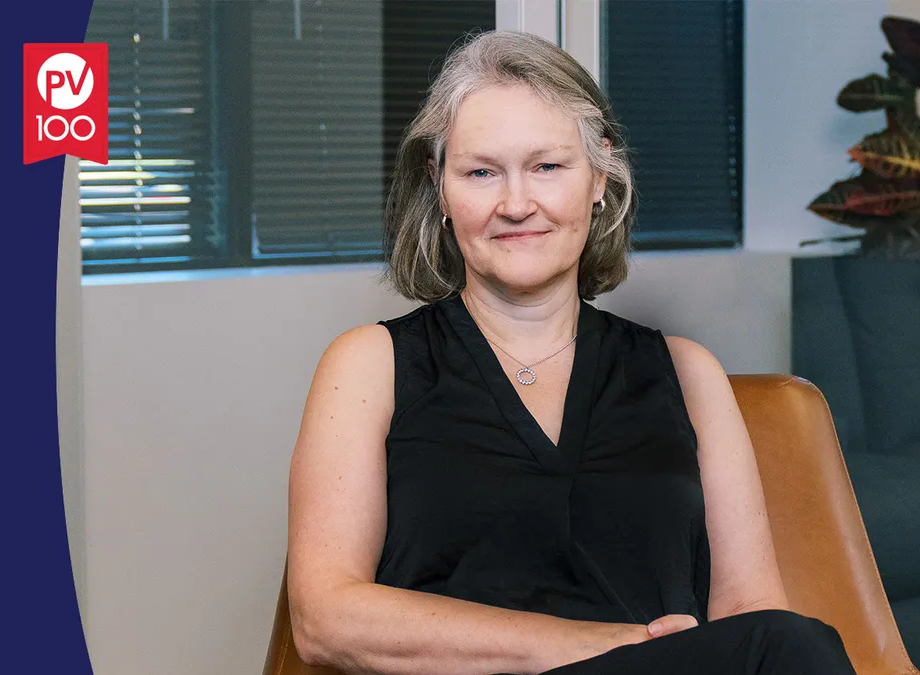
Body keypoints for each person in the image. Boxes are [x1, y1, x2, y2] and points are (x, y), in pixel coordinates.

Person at [285, 29, 856, 675]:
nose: (516, 203)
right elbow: (324, 618)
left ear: (599, 178)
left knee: (785, 641)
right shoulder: (370, 364)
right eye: (480, 172)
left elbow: (750, 612)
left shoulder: (687, 373)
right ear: (440, 189)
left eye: (547, 166)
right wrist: (591, 643)